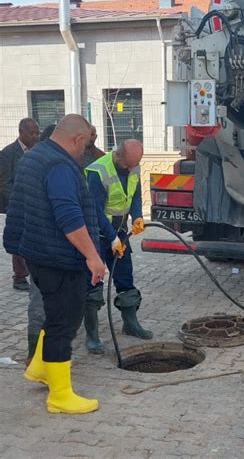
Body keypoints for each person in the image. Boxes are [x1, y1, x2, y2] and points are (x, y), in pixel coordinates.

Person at [3, 114, 106, 415]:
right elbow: (69, 217)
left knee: (54, 312)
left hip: (36, 252)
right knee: (65, 322)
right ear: (77, 139)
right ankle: (60, 396)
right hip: (58, 258)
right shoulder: (60, 166)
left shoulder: (35, 156)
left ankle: (40, 368)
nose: (84, 151)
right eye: (85, 144)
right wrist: (93, 256)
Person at [84, 139, 151, 355]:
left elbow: (135, 194)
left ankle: (130, 324)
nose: (131, 169)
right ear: (117, 155)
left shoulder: (133, 166)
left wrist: (138, 216)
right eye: (128, 165)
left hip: (120, 233)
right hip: (97, 235)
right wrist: (111, 237)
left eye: (135, 165)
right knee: (94, 281)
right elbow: (94, 210)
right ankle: (92, 335)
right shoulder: (98, 171)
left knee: (124, 277)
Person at [25, 123, 56, 365]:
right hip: (42, 246)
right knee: (41, 301)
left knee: (47, 301)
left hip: (40, 244)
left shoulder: (37, 161)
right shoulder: (46, 166)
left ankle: (40, 356)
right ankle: (35, 356)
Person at [0, 118, 40, 290]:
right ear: (21, 132)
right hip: (17, 205)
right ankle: (20, 276)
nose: (36, 136)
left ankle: (35, 271)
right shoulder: (8, 153)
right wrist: (16, 202)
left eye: (37, 132)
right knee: (19, 238)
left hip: (35, 203)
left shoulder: (38, 151)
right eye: (32, 133)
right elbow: (4, 183)